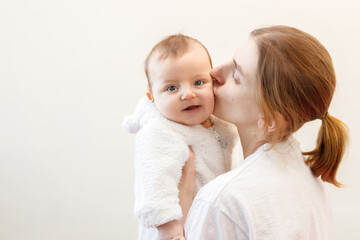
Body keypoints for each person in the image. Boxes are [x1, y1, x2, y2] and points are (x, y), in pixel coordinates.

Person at [172, 25, 349, 240]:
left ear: (270, 119)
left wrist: (179, 218)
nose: (214, 72)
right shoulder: (308, 176)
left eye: (236, 77)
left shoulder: (224, 202)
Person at [122, 34, 239, 240]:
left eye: (198, 82)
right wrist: (168, 227)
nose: (187, 94)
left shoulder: (221, 126)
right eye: (172, 88)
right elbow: (153, 183)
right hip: (175, 231)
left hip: (208, 223)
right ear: (152, 97)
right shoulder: (158, 133)